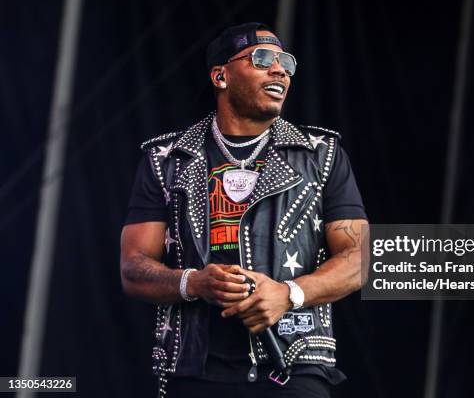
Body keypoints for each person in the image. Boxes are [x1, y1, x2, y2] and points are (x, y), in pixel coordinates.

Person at [120, 22, 368, 398]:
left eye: (286, 62)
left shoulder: (321, 155)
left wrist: (289, 293)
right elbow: (133, 268)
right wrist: (193, 282)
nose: (279, 70)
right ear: (221, 75)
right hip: (193, 369)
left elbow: (360, 257)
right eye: (262, 59)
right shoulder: (166, 159)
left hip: (293, 364)